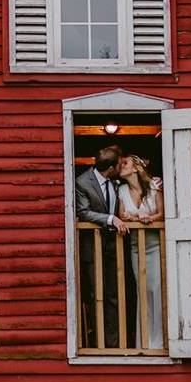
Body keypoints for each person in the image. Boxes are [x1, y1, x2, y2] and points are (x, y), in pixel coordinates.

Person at [74, 144, 129, 349]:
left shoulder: (115, 181)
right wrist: (110, 219)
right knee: (95, 296)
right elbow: (83, 211)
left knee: (114, 296)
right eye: (119, 165)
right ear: (112, 167)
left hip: (114, 248)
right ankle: (98, 343)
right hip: (93, 249)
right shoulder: (82, 182)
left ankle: (113, 343)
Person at [117, 153, 165, 350]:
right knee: (142, 291)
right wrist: (133, 218)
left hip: (155, 245)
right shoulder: (121, 190)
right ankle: (144, 341)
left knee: (156, 290)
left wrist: (150, 219)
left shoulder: (154, 186)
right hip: (136, 247)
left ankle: (160, 341)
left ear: (136, 167)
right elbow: (121, 215)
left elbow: (162, 212)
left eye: (125, 163)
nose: (121, 165)